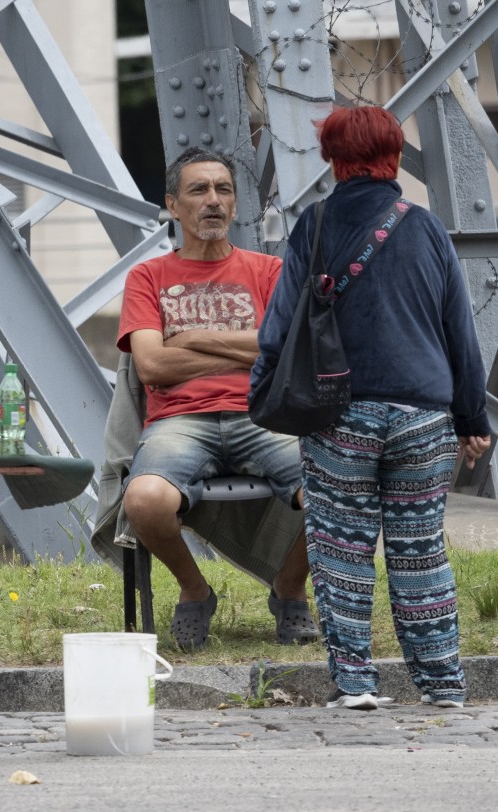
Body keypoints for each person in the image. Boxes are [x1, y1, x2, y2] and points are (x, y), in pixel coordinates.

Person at [251, 105, 492, 709]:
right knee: (420, 551)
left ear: (333, 158)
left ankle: (356, 684)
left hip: (339, 413)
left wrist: (264, 389)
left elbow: (282, 323)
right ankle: (442, 686)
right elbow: (459, 330)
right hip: (423, 416)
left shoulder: (316, 224)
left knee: (342, 550)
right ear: (394, 154)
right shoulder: (426, 227)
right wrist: (472, 420)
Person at [117, 146, 318, 651]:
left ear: (234, 204)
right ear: (173, 205)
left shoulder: (269, 271)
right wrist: (249, 350)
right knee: (144, 500)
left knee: (338, 491)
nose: (213, 200)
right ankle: (194, 589)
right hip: (179, 423)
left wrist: (188, 339)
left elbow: (286, 352)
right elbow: (152, 366)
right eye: (198, 190)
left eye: (223, 190)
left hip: (263, 415)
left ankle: (290, 589)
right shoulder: (148, 278)